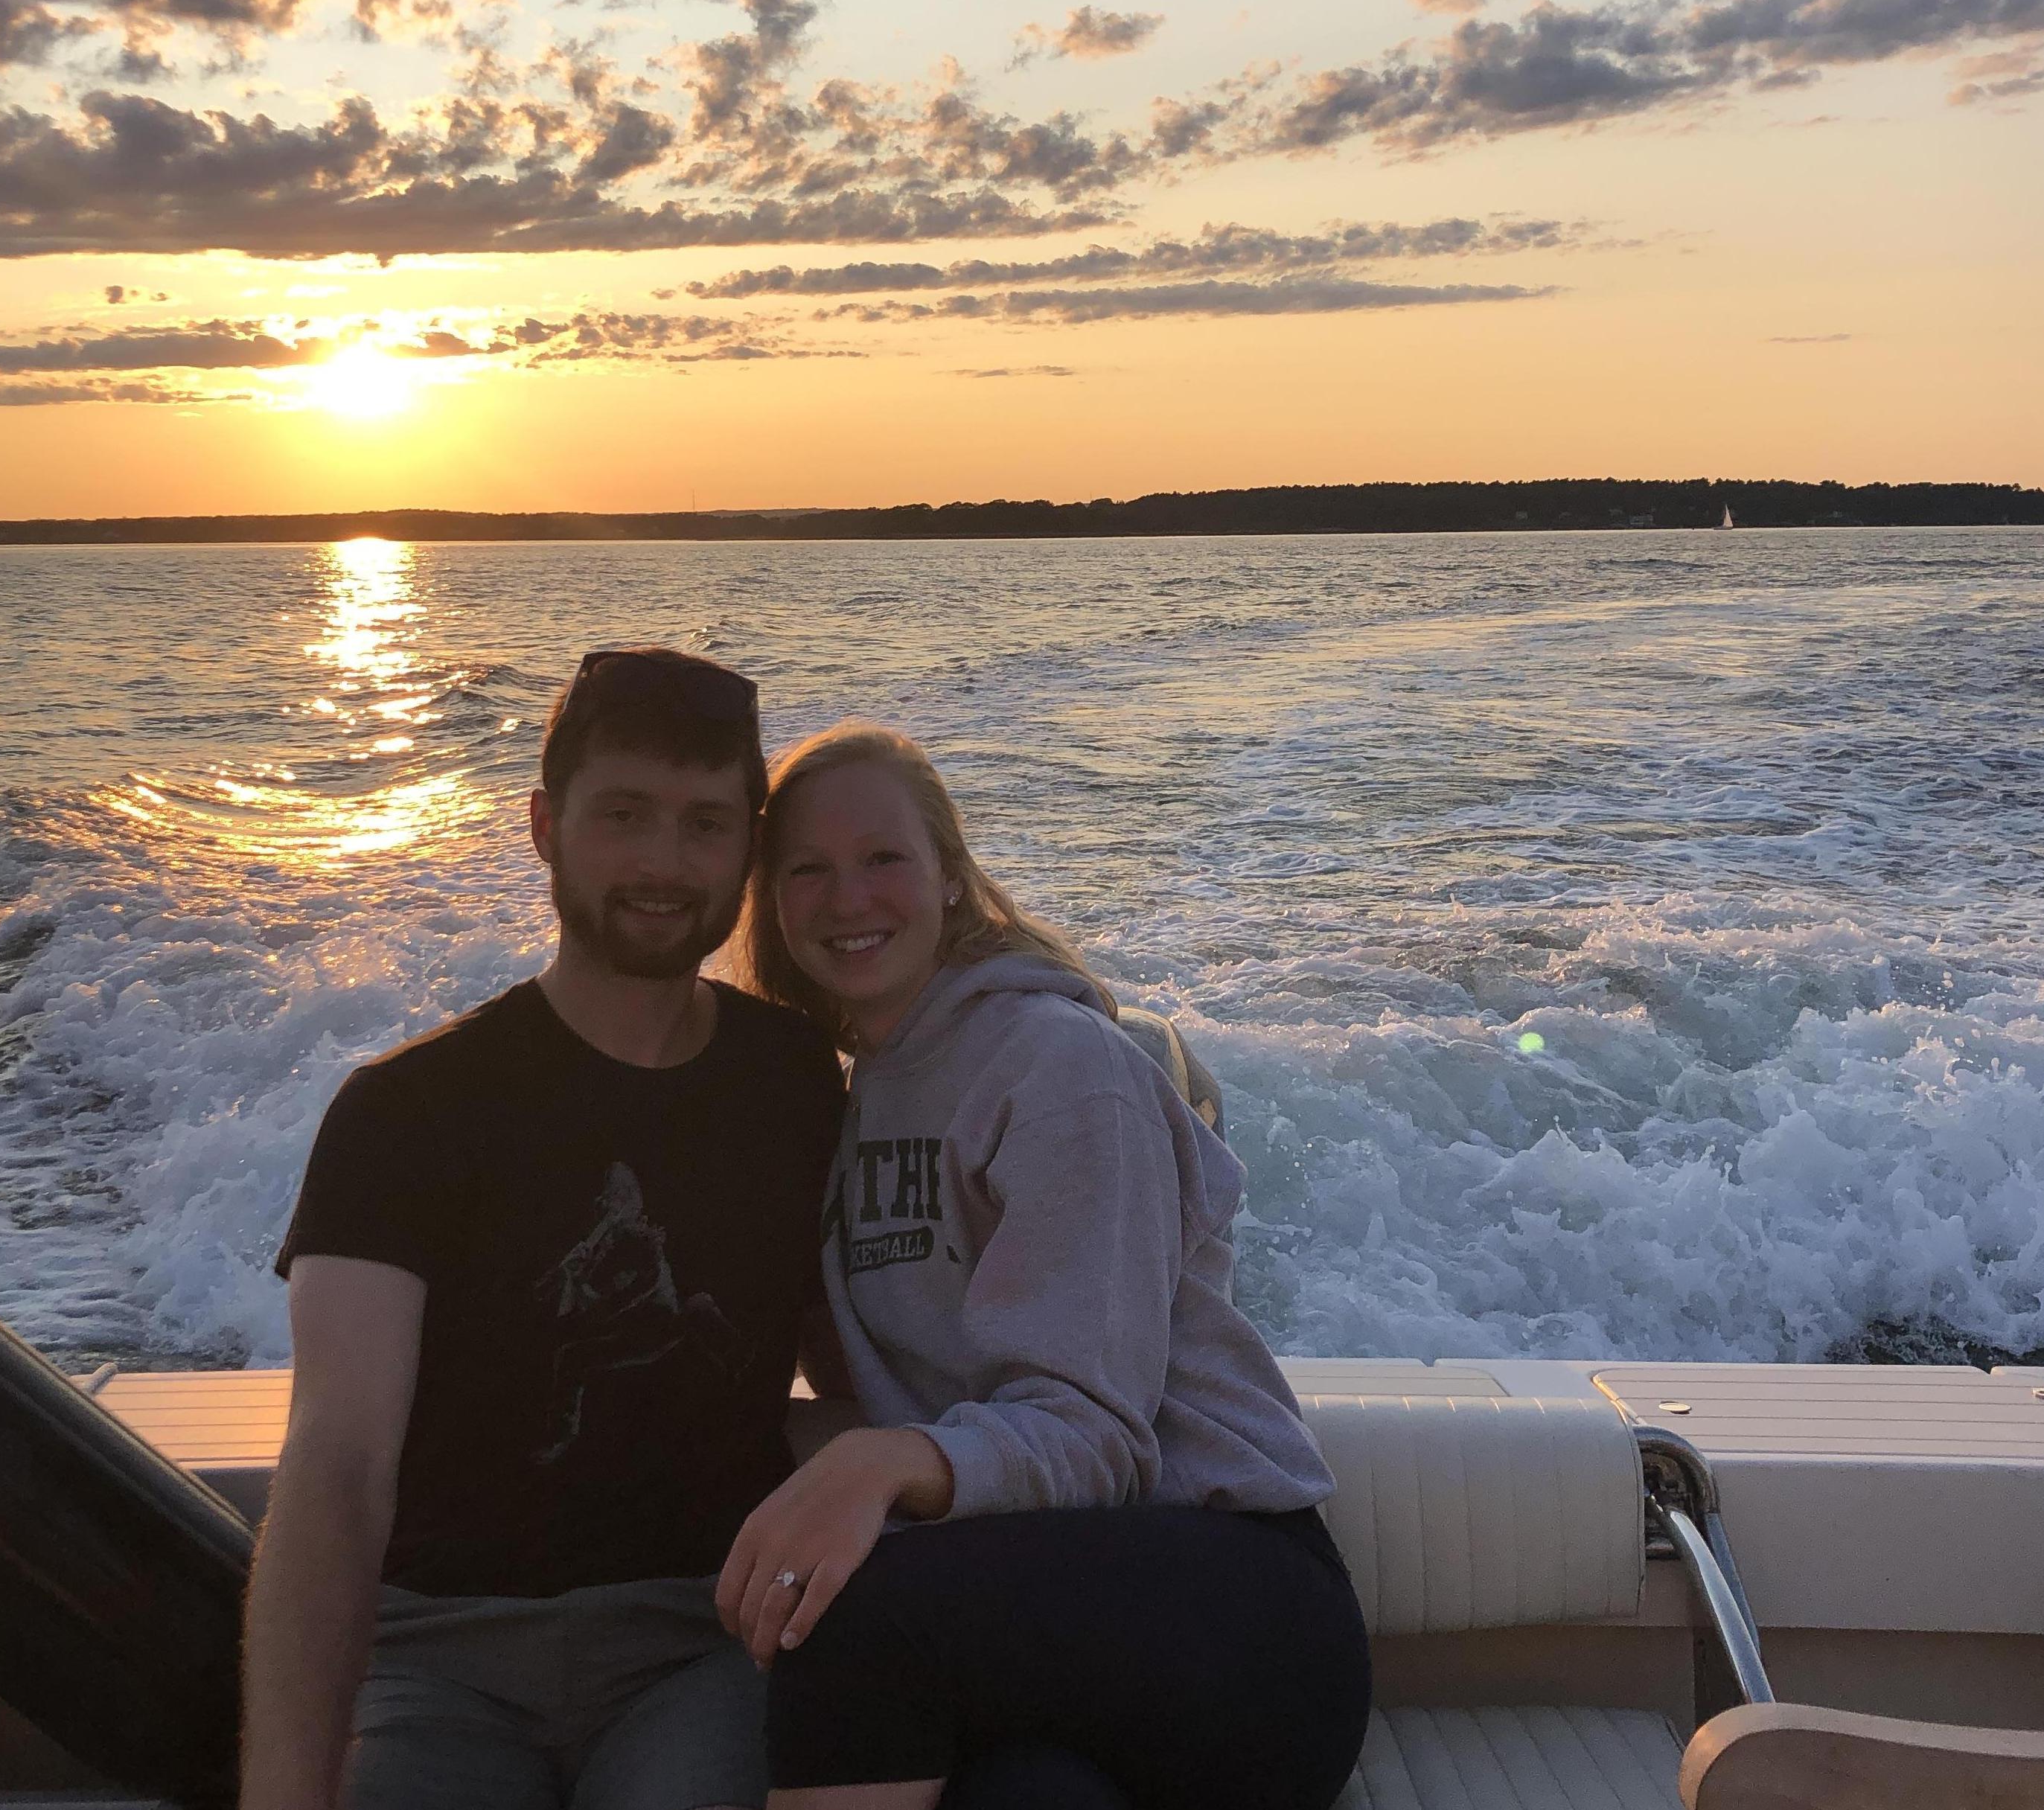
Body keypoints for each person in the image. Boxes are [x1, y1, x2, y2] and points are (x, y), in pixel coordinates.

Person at [716, 723, 1372, 1810]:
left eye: (882, 857)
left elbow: (1095, 1434)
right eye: (806, 870)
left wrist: (874, 1463)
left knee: (855, 1623)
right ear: (771, 907)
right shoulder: (843, 1102)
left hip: (1235, 1604)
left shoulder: (1058, 1067)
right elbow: (881, 1386)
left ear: (949, 877)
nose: (847, 897)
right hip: (1042, 1602)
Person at [242, 650, 846, 1810]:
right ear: (542, 826)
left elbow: (859, 1349)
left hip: (703, 1640)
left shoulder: (792, 1080)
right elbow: (338, 1467)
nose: (664, 863)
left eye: (705, 823)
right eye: (624, 814)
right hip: (437, 1660)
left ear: (745, 850)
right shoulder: (404, 1111)